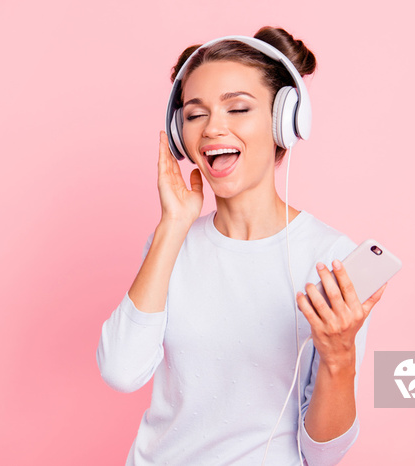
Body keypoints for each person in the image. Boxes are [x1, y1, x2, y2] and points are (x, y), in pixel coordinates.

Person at [96, 26, 386, 465]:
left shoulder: (330, 261)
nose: (214, 127)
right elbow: (121, 371)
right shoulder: (171, 244)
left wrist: (339, 357)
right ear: (180, 136)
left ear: (284, 123)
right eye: (195, 115)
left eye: (237, 108)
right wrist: (174, 224)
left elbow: (322, 455)